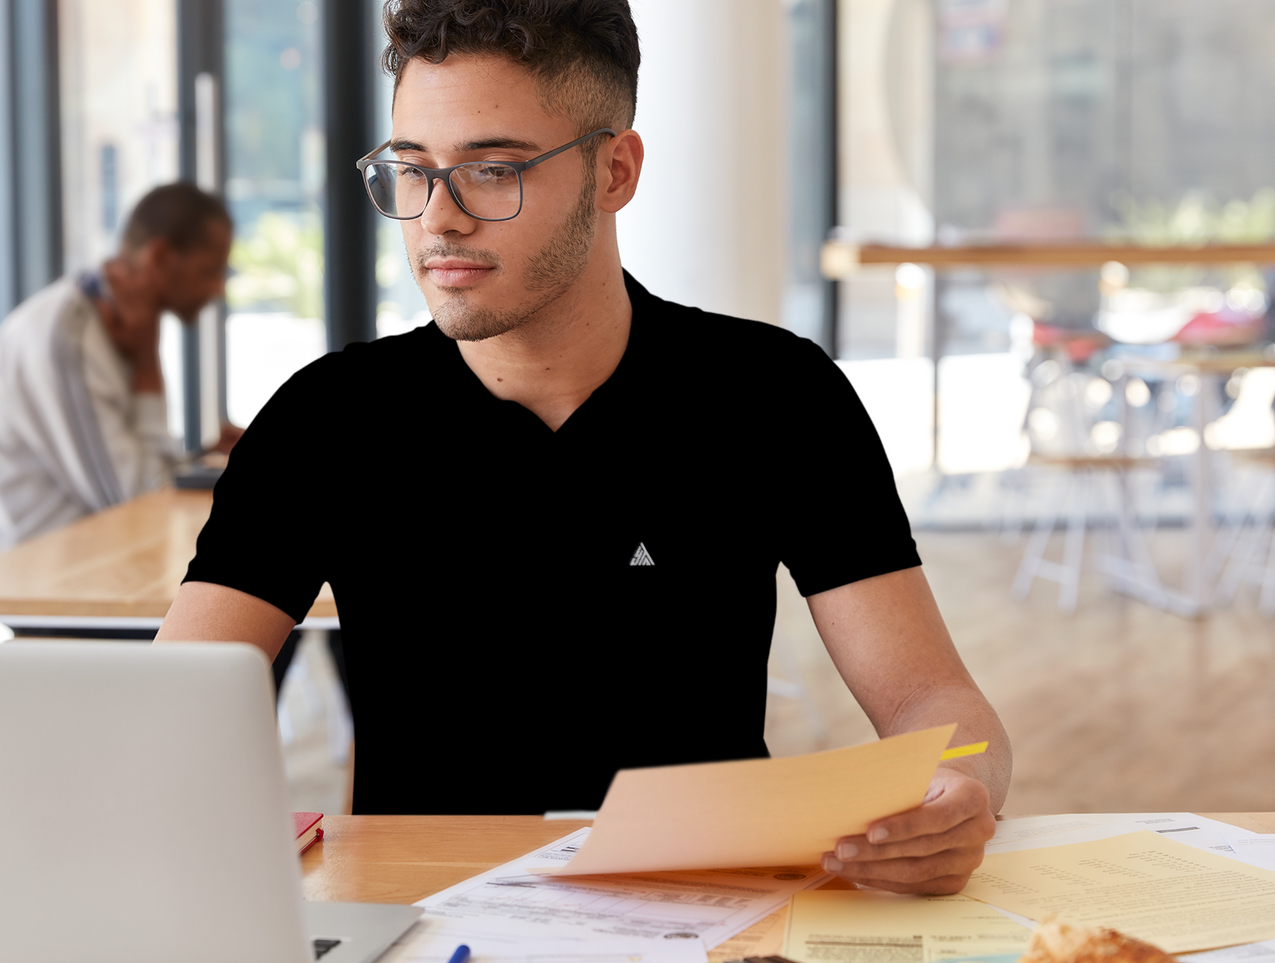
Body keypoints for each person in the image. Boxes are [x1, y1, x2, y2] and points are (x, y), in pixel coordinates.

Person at [157, 0, 1011, 895]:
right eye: (412, 171)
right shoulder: (327, 417)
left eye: (490, 170)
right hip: (426, 922)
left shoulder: (773, 393)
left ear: (614, 169)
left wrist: (958, 792)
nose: (436, 221)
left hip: (709, 913)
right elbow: (166, 711)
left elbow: (931, 701)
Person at [0, 183, 240, 555]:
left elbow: (134, 478)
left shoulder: (119, 322)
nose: (217, 290)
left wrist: (199, 460)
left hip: (104, 565)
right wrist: (147, 366)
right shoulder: (68, 336)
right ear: (161, 257)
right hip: (50, 586)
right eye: (209, 271)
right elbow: (137, 503)